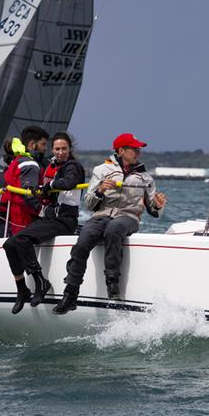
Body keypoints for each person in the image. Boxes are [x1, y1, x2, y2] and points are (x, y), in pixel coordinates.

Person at [53, 133, 167, 313]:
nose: (138, 152)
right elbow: (89, 204)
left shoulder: (146, 178)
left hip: (128, 218)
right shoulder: (101, 170)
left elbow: (154, 211)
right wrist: (100, 190)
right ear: (121, 151)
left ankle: (112, 283)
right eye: (134, 149)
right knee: (84, 239)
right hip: (101, 215)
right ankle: (70, 294)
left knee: (114, 229)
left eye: (139, 149)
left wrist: (159, 205)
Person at [3, 132, 85, 314]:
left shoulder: (73, 167)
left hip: (65, 220)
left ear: (70, 148)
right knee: (9, 244)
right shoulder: (51, 165)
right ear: (52, 149)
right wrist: (37, 190)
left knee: (22, 239)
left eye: (64, 148)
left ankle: (40, 282)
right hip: (49, 217)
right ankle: (22, 289)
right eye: (57, 149)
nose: (61, 152)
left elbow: (70, 182)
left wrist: (48, 186)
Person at [0, 126, 49, 236]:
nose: (45, 148)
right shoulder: (30, 164)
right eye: (43, 144)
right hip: (25, 217)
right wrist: (42, 210)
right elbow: (29, 193)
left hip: (15, 215)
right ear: (32, 145)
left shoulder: (17, 161)